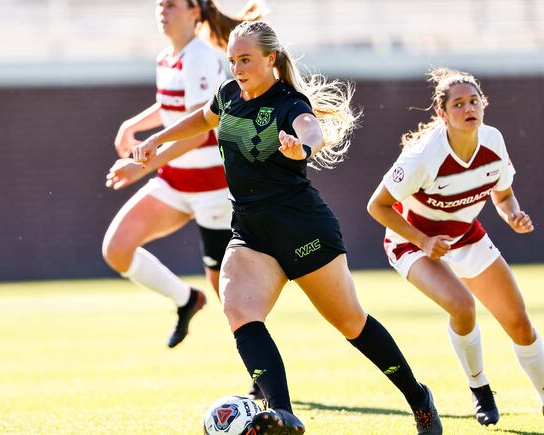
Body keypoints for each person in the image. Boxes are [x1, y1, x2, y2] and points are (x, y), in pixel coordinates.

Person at [132, 20, 442, 435]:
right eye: (233, 60)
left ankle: (419, 399)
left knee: (351, 323)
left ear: (270, 59)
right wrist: (158, 139)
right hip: (250, 230)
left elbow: (311, 130)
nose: (237, 68)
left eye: (246, 60)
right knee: (239, 310)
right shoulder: (228, 94)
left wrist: (303, 148)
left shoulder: (289, 103)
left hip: (301, 227)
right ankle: (282, 414)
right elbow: (202, 119)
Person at [367, 67, 543, 425]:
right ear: (442, 114)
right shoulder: (422, 156)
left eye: (474, 101)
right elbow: (377, 206)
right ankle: (480, 388)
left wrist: (513, 214)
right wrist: (423, 240)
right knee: (463, 307)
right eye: (458, 104)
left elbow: (503, 195)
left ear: (484, 104)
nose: (468, 108)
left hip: (465, 235)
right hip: (413, 242)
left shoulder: (493, 140)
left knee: (520, 324)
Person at [102, 0, 265, 350]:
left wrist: (140, 166)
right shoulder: (167, 57)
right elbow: (170, 106)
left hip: (213, 187)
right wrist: (131, 125)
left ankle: (260, 369)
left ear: (194, 13)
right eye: (160, 4)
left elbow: (197, 132)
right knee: (117, 249)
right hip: (175, 181)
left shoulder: (200, 57)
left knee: (229, 296)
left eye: (173, 5)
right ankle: (186, 300)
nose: (163, 10)